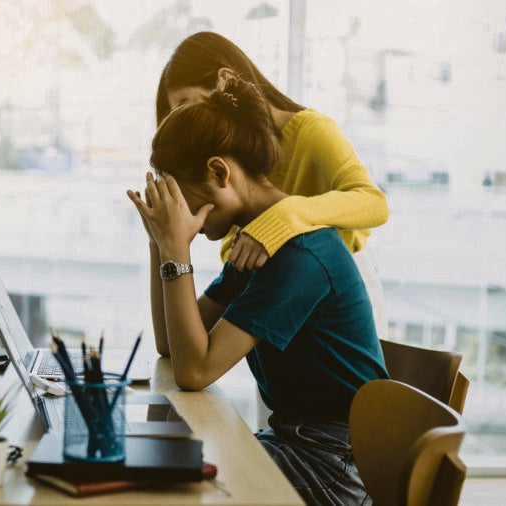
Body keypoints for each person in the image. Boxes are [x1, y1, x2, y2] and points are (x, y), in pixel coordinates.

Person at [127, 76, 389, 506]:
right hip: (296, 442)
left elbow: (196, 372)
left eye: (179, 195)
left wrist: (176, 249)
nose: (178, 210)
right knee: (152, 466)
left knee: (165, 489)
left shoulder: (296, 255)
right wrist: (161, 244)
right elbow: (171, 346)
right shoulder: (256, 241)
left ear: (218, 172)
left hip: (333, 465)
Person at [155, 31, 390, 338]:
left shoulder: (310, 131)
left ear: (224, 81)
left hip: (336, 300)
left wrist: (283, 216)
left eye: (185, 105)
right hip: (280, 293)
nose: (184, 123)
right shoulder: (235, 166)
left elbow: (374, 202)